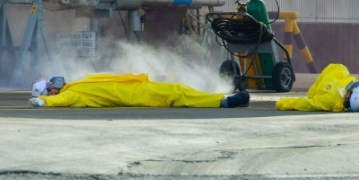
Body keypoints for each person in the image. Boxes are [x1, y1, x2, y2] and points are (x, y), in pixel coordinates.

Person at [29, 74, 250, 109]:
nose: (53, 81)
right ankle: (223, 103)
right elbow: (65, 100)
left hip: (137, 87)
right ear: (51, 93)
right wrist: (44, 102)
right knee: (179, 95)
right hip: (138, 96)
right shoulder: (72, 94)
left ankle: (219, 98)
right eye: (49, 85)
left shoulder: (72, 85)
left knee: (178, 89)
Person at [276, 63, 359, 112]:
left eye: (355, 86)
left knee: (343, 69)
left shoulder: (328, 100)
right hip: (331, 77)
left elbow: (304, 103)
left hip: (321, 84)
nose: (354, 83)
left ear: (350, 95)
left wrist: (281, 103)